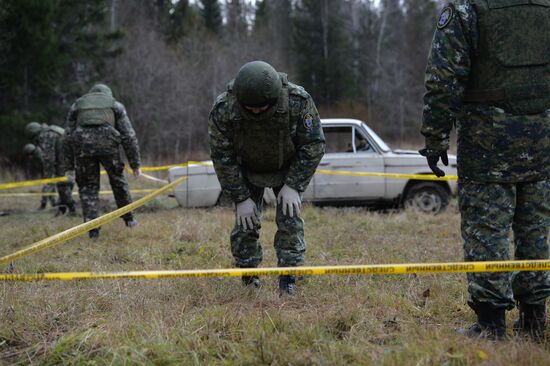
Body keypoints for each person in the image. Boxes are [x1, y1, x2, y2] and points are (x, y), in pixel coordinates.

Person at [420, 1, 550, 340]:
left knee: (487, 232)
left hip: (488, 146)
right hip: (543, 143)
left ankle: (491, 326)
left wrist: (435, 138)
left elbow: (444, 78)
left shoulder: (467, 10)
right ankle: (535, 319)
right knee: (536, 230)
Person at [208, 61, 325, 295]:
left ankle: (288, 278)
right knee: (245, 225)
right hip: (246, 171)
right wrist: (240, 197)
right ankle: (248, 277)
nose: (257, 112)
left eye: (262, 107)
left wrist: (294, 185)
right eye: (251, 108)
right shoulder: (224, 109)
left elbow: (313, 144)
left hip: (287, 168)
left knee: (290, 220)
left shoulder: (297, 101)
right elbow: (222, 156)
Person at [64, 84, 141, 239]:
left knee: (88, 188)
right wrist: (135, 164)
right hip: (108, 144)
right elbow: (128, 136)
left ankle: (93, 231)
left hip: (83, 145)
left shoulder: (78, 105)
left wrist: (69, 167)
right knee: (118, 182)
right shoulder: (115, 105)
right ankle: (129, 220)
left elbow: (67, 137)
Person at [23, 142, 76, 216]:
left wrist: (43, 204)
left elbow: (49, 166)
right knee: (59, 188)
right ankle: (58, 206)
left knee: (54, 187)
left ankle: (59, 206)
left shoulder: (39, 154)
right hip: (62, 170)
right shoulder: (40, 151)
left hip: (61, 171)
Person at [24, 122, 65, 211]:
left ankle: (63, 206)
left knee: (55, 182)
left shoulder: (46, 135)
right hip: (68, 158)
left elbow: (49, 159)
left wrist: (48, 176)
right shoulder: (52, 129)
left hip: (65, 160)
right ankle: (62, 205)